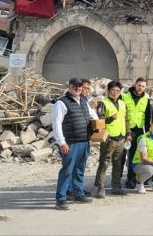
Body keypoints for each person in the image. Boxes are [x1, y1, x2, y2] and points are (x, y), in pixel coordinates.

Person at [52, 77, 98, 210]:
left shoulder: (83, 100)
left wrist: (96, 122)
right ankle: (61, 199)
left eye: (79, 86)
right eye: (75, 86)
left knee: (79, 169)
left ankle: (78, 193)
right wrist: (62, 142)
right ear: (69, 87)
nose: (77, 88)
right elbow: (57, 124)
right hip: (70, 143)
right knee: (67, 171)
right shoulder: (61, 103)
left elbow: (92, 114)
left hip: (84, 141)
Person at [94, 81, 130, 198]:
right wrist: (110, 119)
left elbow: (126, 120)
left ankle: (116, 186)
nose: (115, 93)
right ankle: (101, 188)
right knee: (104, 163)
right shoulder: (103, 103)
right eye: (113, 91)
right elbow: (99, 120)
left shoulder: (122, 103)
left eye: (118, 91)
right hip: (109, 138)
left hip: (121, 137)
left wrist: (128, 133)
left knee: (118, 163)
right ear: (108, 91)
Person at [122, 77, 151, 189]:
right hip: (126, 130)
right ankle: (128, 179)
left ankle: (137, 178)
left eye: (143, 86)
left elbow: (148, 116)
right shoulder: (125, 96)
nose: (141, 88)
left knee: (137, 155)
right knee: (126, 155)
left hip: (139, 130)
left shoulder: (146, 99)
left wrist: (148, 133)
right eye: (139, 85)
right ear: (135, 85)